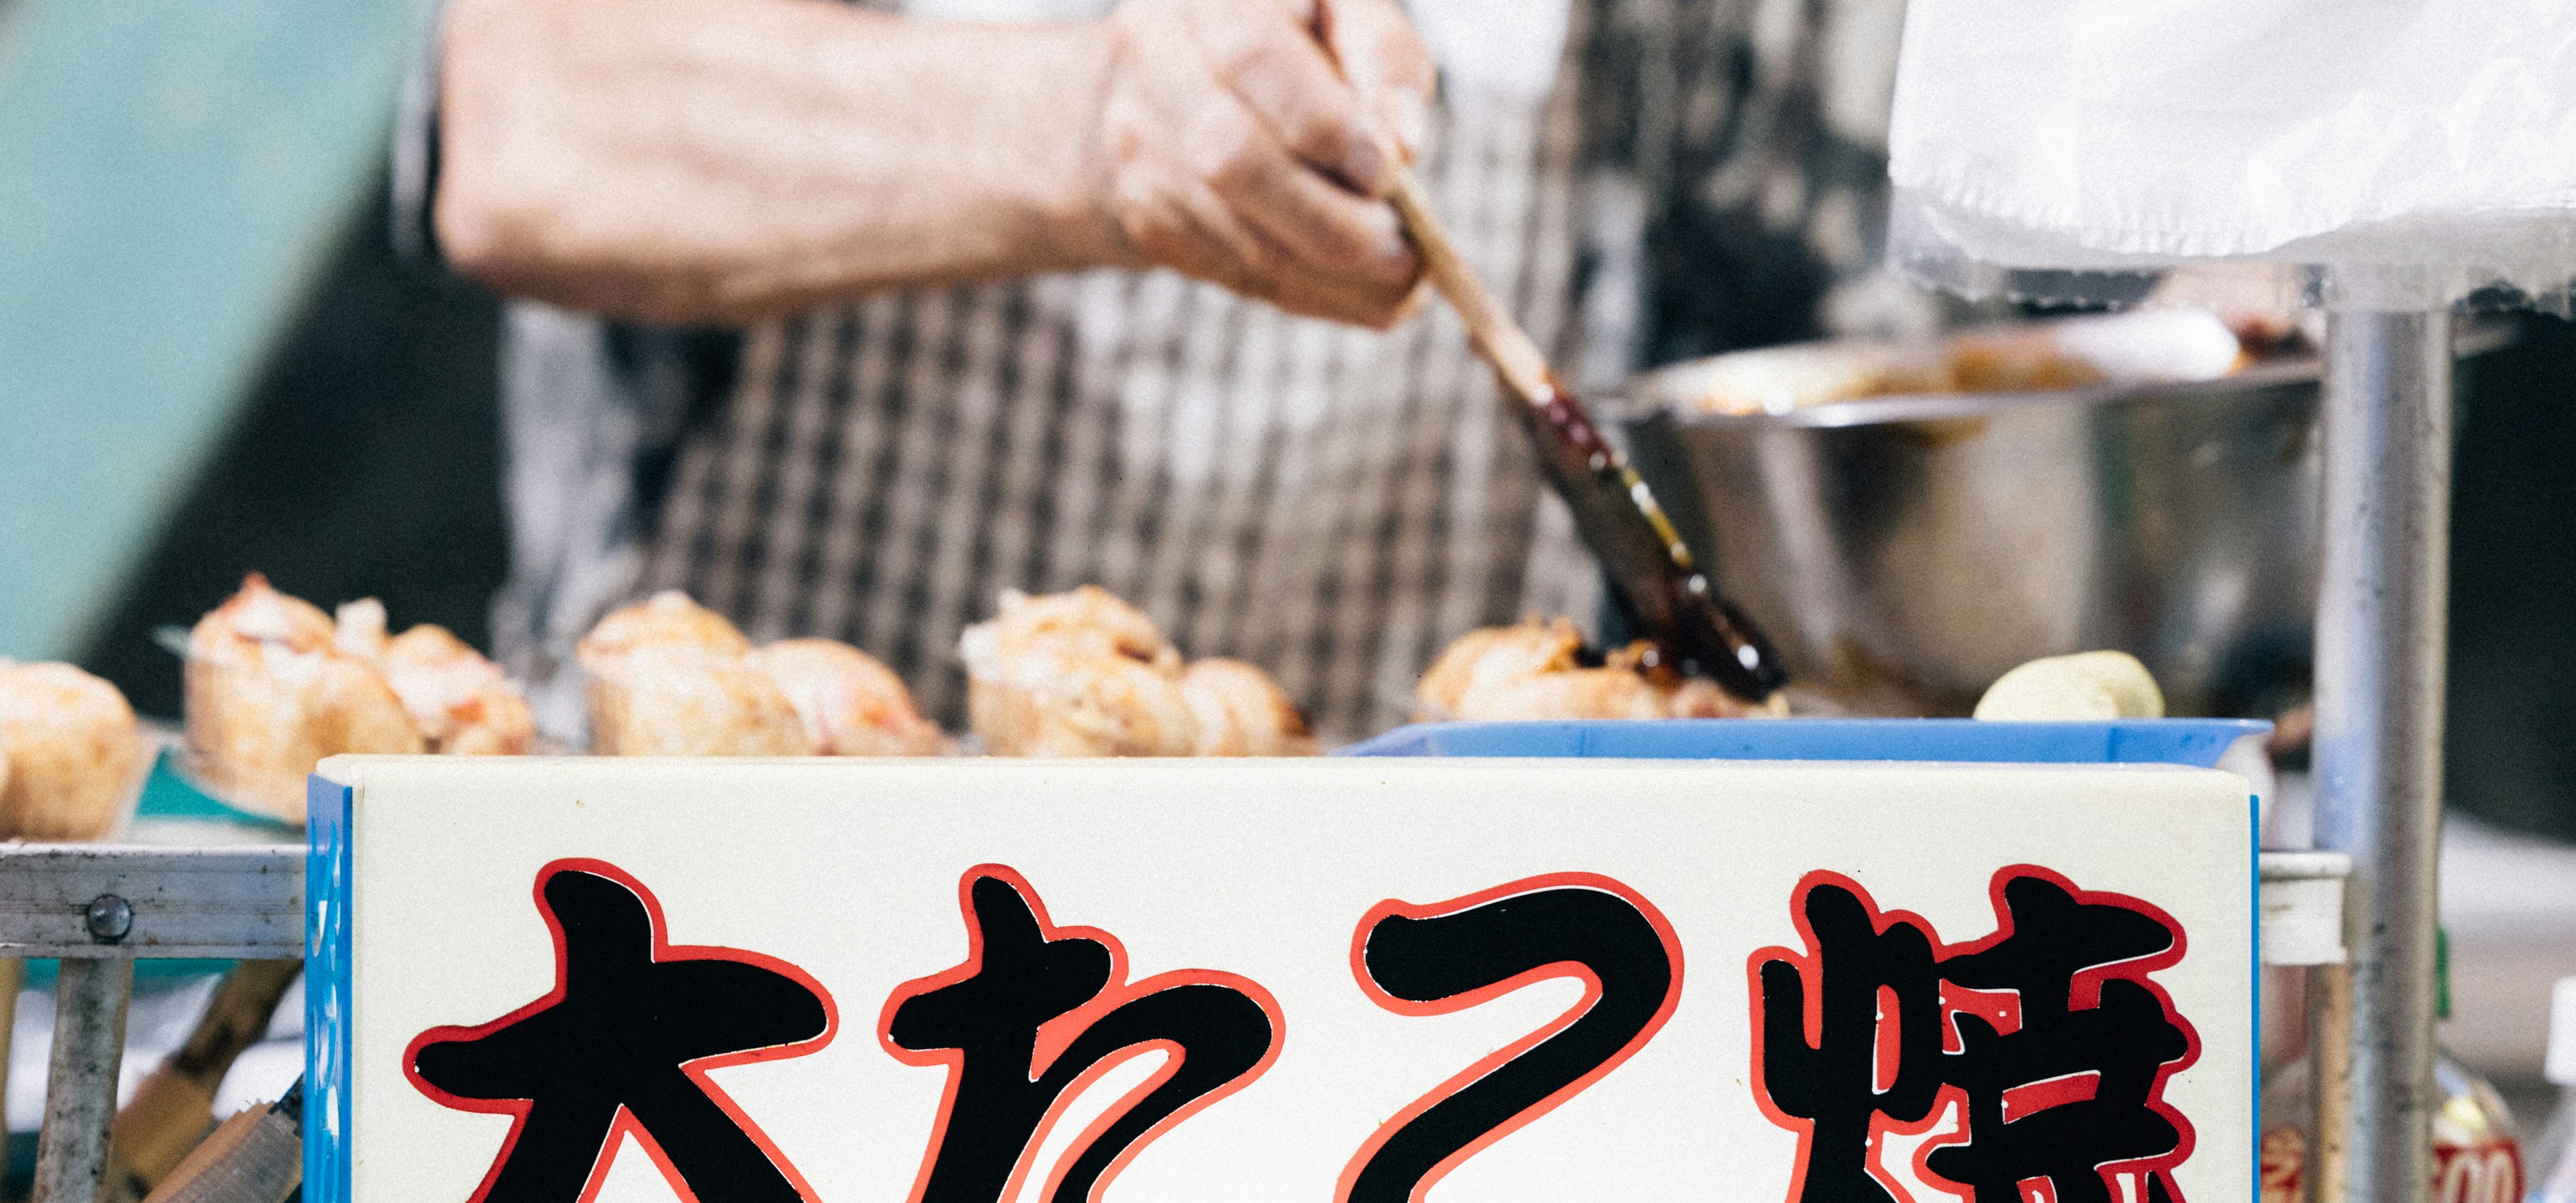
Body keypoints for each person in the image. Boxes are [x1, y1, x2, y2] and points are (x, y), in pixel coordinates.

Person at [405, 0, 1916, 742]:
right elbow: (530, 128)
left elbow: (1885, 369)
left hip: (1380, 961)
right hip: (720, 928)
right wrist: (1092, 128)